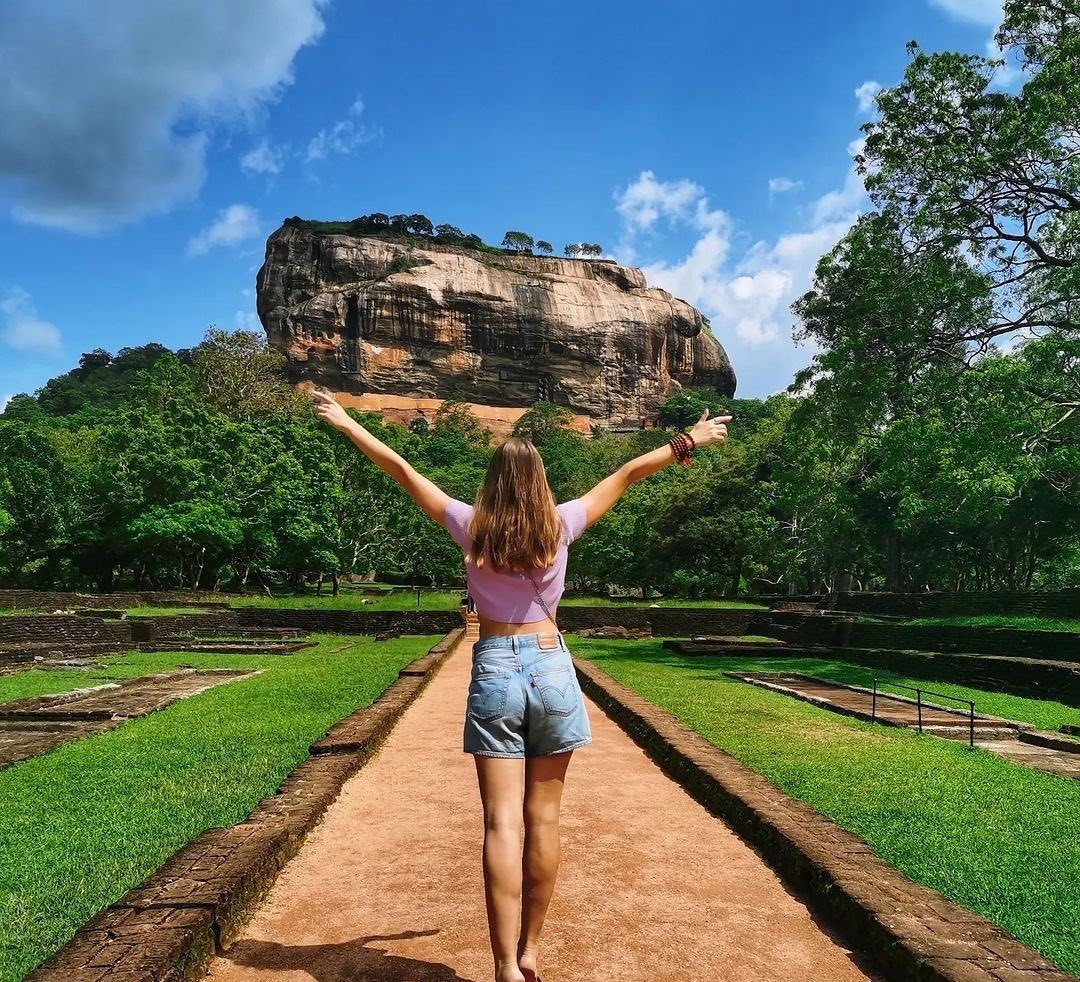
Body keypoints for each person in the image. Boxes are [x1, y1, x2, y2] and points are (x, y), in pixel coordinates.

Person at [311, 389, 731, 982]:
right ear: (538, 482)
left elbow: (402, 470)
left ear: (492, 482)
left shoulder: (471, 526)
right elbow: (630, 471)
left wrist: (348, 422)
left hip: (496, 668)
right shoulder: (560, 523)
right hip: (551, 663)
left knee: (501, 823)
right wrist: (691, 439)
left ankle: (505, 965)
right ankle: (531, 948)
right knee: (545, 820)